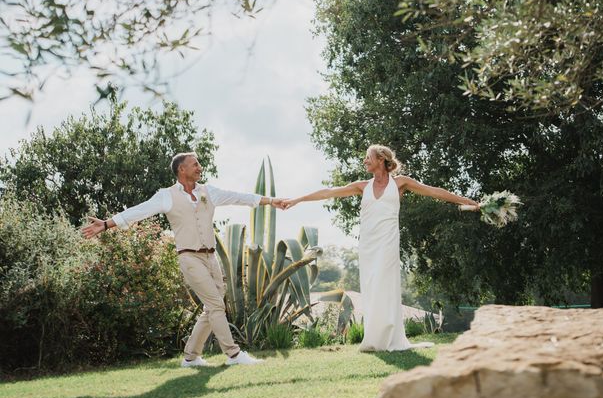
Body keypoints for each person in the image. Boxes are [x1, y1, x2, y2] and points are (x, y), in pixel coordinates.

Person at [81, 152, 285, 367]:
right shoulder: (166, 196)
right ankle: (233, 355)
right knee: (216, 305)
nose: (199, 167)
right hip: (189, 257)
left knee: (212, 307)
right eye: (195, 164)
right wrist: (106, 224)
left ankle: (191, 357)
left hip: (211, 256)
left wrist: (271, 201)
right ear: (182, 169)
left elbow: (238, 197)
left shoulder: (209, 191)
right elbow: (138, 211)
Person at [282, 145, 479, 352]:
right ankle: (374, 339)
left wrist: (465, 201)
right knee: (371, 287)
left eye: (368, 157)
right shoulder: (362, 186)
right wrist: (297, 199)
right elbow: (328, 192)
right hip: (367, 244)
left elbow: (434, 191)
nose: (365, 161)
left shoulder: (401, 183)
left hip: (388, 241)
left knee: (385, 285)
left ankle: (390, 338)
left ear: (381, 159)